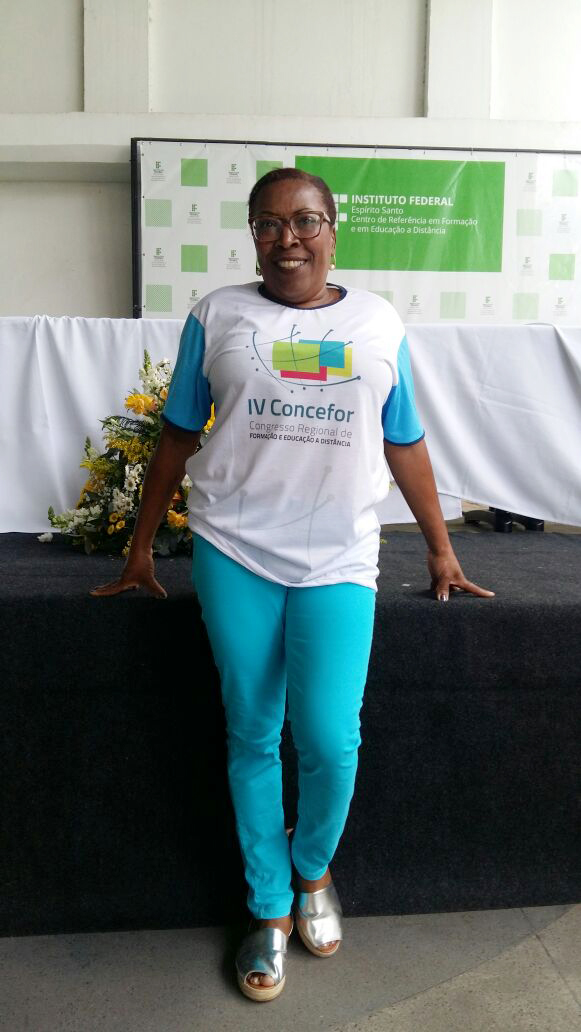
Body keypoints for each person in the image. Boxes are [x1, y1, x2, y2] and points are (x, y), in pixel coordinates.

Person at [91, 167, 494, 1002]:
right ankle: (268, 907)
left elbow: (404, 439)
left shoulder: (377, 323)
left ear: (333, 231)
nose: (288, 239)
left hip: (337, 558)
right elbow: (177, 435)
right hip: (234, 549)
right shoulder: (216, 315)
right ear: (251, 235)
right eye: (268, 224)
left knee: (329, 738)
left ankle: (313, 870)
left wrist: (440, 550)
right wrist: (140, 548)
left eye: (305, 221)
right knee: (251, 730)